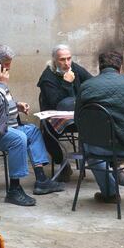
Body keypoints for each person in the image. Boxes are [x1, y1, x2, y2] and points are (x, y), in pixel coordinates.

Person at [0, 44, 65, 206]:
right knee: (18, 138)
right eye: (7, 63)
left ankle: (41, 180)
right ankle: (14, 190)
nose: (9, 67)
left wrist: (16, 106)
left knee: (32, 130)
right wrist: (2, 84)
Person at [75, 50, 124, 206]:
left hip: (97, 147)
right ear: (120, 67)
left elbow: (78, 119)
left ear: (99, 67)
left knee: (91, 153)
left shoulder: (86, 86)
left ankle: (110, 193)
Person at [36, 44, 93, 181]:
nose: (67, 63)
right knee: (46, 134)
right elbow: (56, 103)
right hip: (57, 119)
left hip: (78, 117)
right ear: (54, 60)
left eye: (69, 58)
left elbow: (92, 82)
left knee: (102, 125)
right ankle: (62, 163)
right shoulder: (47, 77)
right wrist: (67, 84)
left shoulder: (75, 68)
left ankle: (112, 165)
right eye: (62, 59)